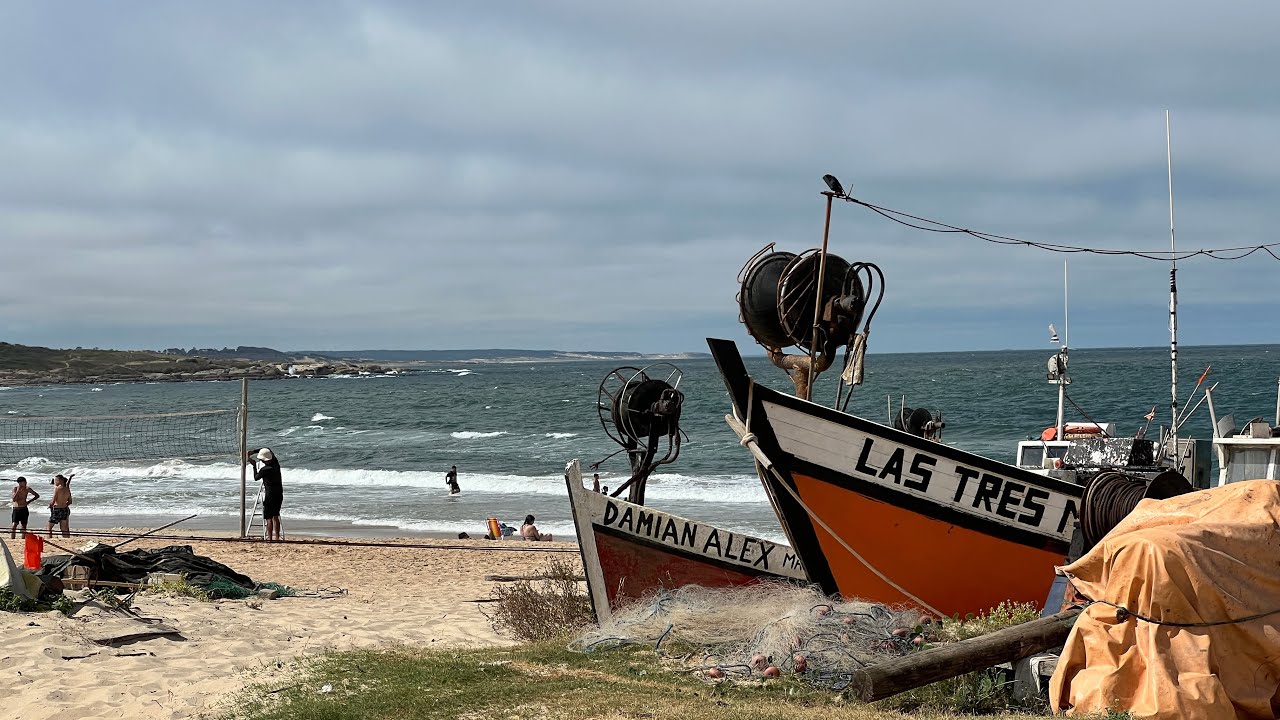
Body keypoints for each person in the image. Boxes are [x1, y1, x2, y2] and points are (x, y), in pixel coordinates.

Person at [250, 448, 284, 541]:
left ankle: (270, 538)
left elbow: (256, 477)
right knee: (276, 516)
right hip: (279, 493)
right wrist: (254, 451)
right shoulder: (276, 464)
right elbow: (268, 449)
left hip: (270, 495)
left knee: (268, 517)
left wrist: (254, 466)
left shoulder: (264, 470)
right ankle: (277, 537)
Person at [46, 474, 72, 538]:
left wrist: (50, 505)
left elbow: (53, 500)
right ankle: (67, 540)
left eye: (55, 480)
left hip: (57, 510)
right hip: (64, 509)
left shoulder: (57, 489)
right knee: (64, 529)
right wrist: (64, 504)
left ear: (59, 481)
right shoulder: (67, 489)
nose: (54, 482)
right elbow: (70, 502)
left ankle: (50, 539)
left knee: (49, 528)